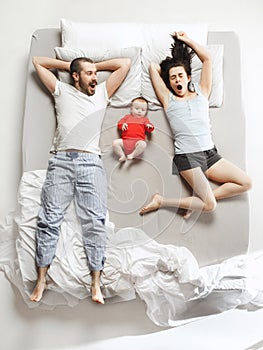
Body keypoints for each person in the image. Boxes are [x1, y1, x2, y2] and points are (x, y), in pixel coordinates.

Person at [30, 55, 131, 304]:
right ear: (75, 77)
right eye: (88, 74)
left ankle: (95, 282)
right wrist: (72, 65)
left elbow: (125, 64)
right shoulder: (61, 90)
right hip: (61, 162)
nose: (95, 77)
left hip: (90, 162)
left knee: (95, 222)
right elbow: (37, 62)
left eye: (95, 74)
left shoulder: (102, 93)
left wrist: (93, 65)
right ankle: (42, 279)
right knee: (49, 220)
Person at [139, 31, 251, 218]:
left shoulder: (203, 92)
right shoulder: (168, 99)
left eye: (180, 76)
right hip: (187, 157)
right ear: (169, 82)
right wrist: (170, 67)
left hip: (209, 154)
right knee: (209, 206)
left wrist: (186, 40)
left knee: (246, 183)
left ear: (189, 77)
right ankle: (161, 201)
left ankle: (195, 202)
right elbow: (152, 67)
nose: (177, 80)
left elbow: (207, 59)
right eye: (173, 78)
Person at [112, 97, 154, 162]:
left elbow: (150, 128)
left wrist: (150, 126)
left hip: (137, 142)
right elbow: (120, 123)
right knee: (115, 143)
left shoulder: (145, 120)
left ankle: (132, 155)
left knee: (143, 144)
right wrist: (123, 124)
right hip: (125, 141)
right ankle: (122, 155)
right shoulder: (127, 117)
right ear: (131, 109)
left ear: (146, 112)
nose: (139, 111)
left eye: (143, 110)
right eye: (137, 109)